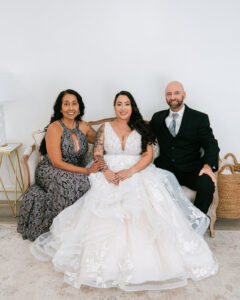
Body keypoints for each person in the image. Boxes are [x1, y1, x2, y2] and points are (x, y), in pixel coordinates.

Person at [30, 91, 218, 291]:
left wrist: (130, 171)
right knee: (101, 206)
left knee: (148, 205)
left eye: (126, 104)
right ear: (114, 107)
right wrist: (106, 171)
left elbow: (148, 155)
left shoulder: (143, 128)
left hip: (136, 171)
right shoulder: (104, 128)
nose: (122, 108)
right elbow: (97, 152)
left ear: (132, 107)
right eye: (119, 104)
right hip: (109, 172)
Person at [17, 89, 103, 241]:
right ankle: (56, 231)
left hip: (74, 170)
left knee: (85, 182)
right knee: (67, 182)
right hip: (51, 169)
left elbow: (101, 141)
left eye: (74, 104)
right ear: (60, 108)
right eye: (66, 104)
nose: (71, 108)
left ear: (79, 107)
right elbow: (56, 162)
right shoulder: (55, 127)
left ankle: (77, 229)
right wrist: (86, 170)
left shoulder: (83, 126)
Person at [150, 81, 220, 214]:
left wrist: (208, 166)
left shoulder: (199, 118)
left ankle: (196, 225)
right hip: (165, 170)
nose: (173, 97)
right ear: (166, 97)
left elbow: (211, 144)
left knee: (207, 184)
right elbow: (145, 138)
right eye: (169, 94)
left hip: (191, 170)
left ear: (184, 95)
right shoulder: (157, 117)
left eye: (176, 93)